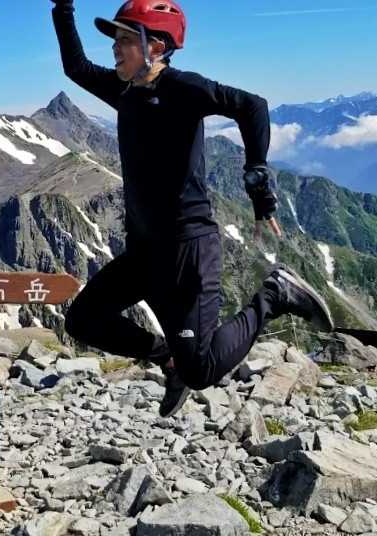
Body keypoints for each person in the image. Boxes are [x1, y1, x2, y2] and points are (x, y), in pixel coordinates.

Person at [50, 0, 334, 418]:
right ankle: (168, 359)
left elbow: (252, 105)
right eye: (115, 40)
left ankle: (275, 294)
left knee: (200, 371)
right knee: (84, 321)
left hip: (189, 250)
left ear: (156, 45)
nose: (114, 48)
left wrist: (257, 176)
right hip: (144, 252)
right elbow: (75, 67)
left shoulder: (183, 88)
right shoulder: (124, 91)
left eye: (125, 39)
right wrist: (63, 8)